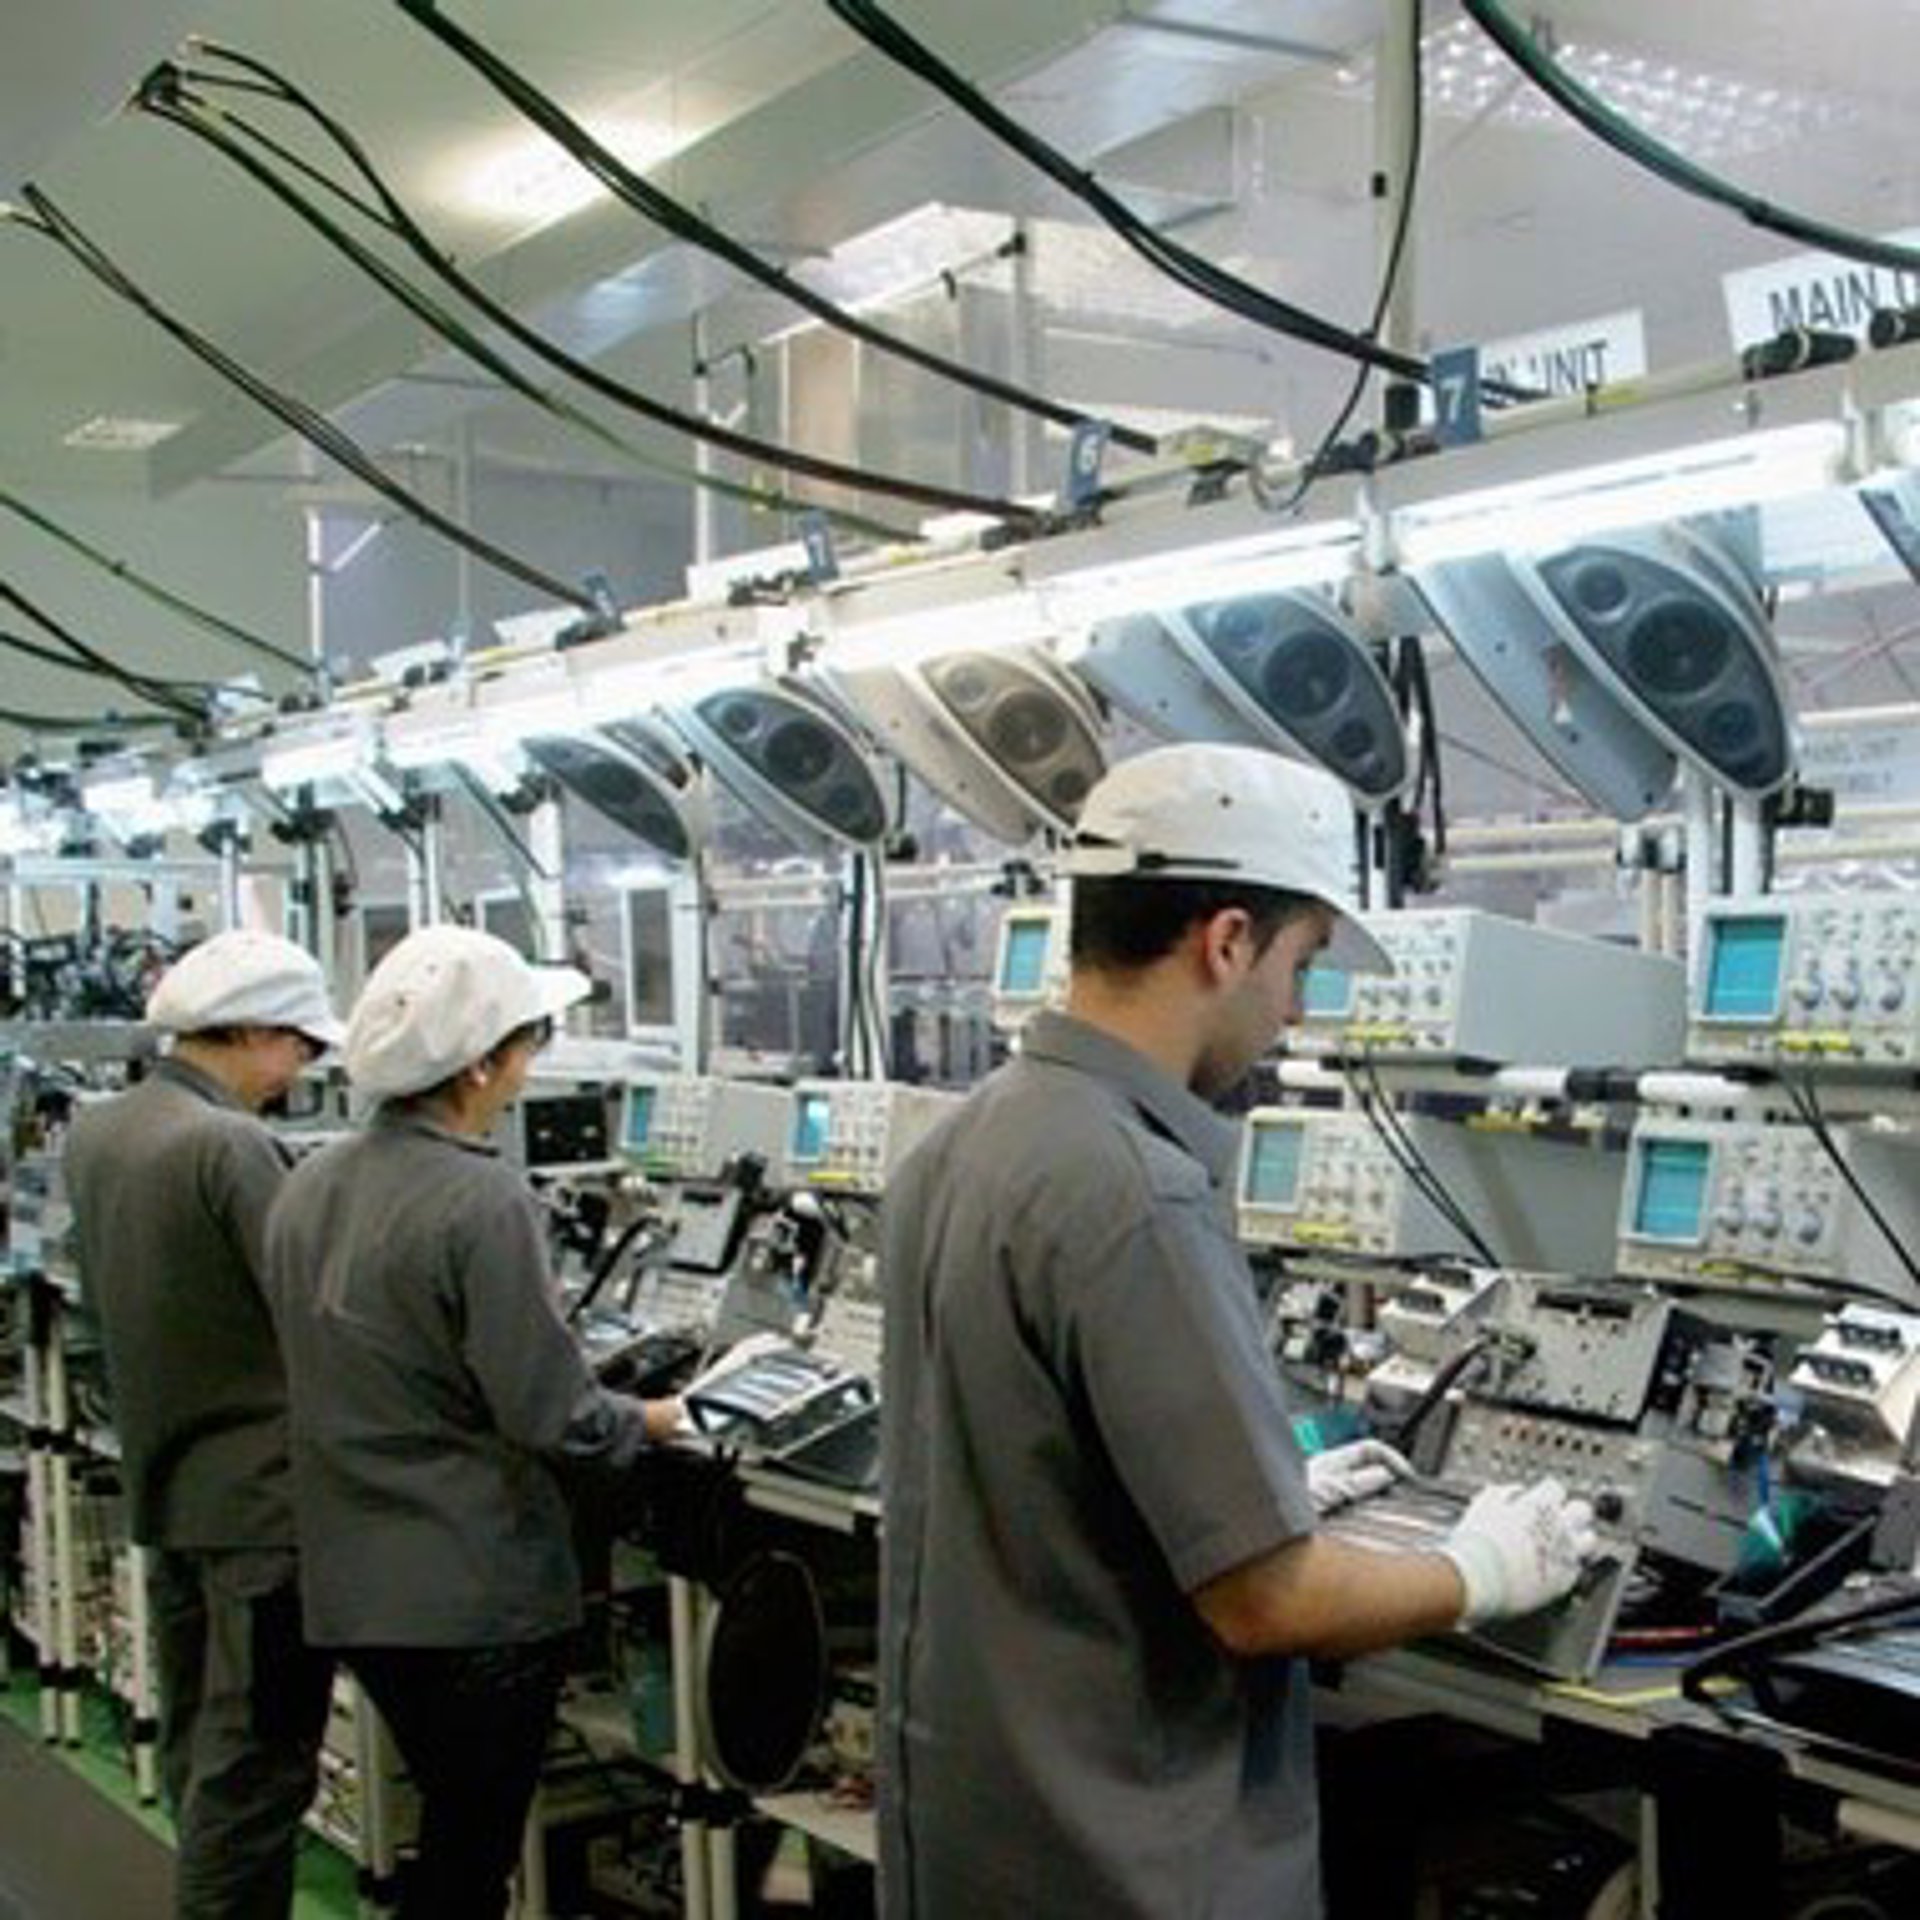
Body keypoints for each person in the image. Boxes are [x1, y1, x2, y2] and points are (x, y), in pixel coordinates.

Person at [876, 744, 1599, 1920]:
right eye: (1300, 963)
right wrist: (1479, 1569)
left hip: (975, 1840)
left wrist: (1261, 1493)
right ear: (1225, 943)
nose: (1295, 1009)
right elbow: (1270, 1603)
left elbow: (1037, 1482)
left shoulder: (961, 1144)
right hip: (1128, 1863)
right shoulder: (1134, 1190)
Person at [262, 926, 680, 1920]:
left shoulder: (309, 1179)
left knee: (450, 1835)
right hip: (468, 1592)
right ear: (481, 1065)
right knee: (467, 1859)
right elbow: (552, 1414)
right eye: (529, 1046)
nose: (531, 1070)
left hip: (354, 1583)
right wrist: (656, 1417)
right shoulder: (483, 1198)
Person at [64, 928, 344, 1920]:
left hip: (172, 1487)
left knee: (198, 1746)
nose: (299, 1071)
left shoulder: (102, 1130)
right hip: (264, 1516)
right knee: (258, 1766)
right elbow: (319, 1312)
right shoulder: (229, 1146)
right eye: (299, 1047)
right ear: (254, 1032)